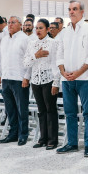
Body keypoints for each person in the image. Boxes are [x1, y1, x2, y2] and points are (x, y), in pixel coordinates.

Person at [56, 0, 88, 157]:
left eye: (74, 9)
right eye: (69, 9)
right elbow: (59, 54)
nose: (71, 12)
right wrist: (63, 72)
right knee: (70, 113)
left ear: (82, 12)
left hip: (85, 78)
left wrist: (77, 73)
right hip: (67, 79)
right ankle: (72, 143)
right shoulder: (65, 32)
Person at [23, 19, 60, 149]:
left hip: (49, 79)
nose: (38, 30)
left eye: (41, 28)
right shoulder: (31, 43)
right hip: (35, 80)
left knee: (51, 110)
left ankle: (52, 140)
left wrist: (56, 82)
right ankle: (43, 138)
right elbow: (26, 63)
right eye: (37, 28)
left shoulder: (53, 43)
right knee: (41, 110)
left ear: (48, 29)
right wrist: (36, 55)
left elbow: (56, 64)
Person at [0, 16, 30, 145]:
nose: (10, 25)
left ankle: (23, 134)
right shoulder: (4, 39)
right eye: (9, 22)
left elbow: (29, 60)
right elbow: (0, 58)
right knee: (10, 109)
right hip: (6, 77)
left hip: (19, 78)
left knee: (22, 109)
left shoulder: (25, 39)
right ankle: (13, 133)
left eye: (13, 22)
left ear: (20, 25)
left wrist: (26, 77)